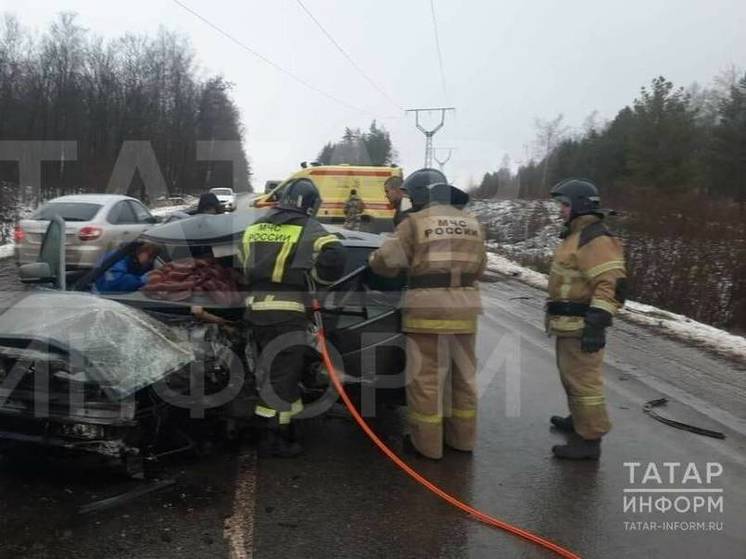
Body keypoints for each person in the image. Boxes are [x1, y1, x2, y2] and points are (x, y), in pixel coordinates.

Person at [368, 168, 487, 460]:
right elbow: (481, 266)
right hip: (465, 310)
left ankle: (427, 446)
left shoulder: (417, 222)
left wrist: (374, 261)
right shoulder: (473, 223)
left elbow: (387, 260)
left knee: (426, 379)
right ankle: (462, 440)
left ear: (421, 194)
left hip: (427, 310)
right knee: (462, 379)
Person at [239, 178, 346, 458]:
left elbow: (242, 265)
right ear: (308, 205)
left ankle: (287, 423)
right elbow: (335, 253)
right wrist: (318, 278)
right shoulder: (306, 226)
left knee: (274, 372)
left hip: (255, 311)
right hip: (286, 313)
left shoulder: (255, 227)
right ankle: (272, 438)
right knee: (282, 377)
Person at [546, 178, 627, 460]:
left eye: (565, 205)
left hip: (582, 326)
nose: (561, 210)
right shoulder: (577, 235)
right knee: (572, 378)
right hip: (568, 325)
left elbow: (611, 284)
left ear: (580, 205)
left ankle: (589, 439)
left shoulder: (596, 239)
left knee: (584, 384)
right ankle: (578, 420)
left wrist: (597, 324)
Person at [94, 242, 160, 293]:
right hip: (101, 295)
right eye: (150, 256)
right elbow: (113, 283)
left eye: (154, 258)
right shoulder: (118, 257)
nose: (151, 261)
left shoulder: (134, 260)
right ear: (142, 250)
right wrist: (142, 280)